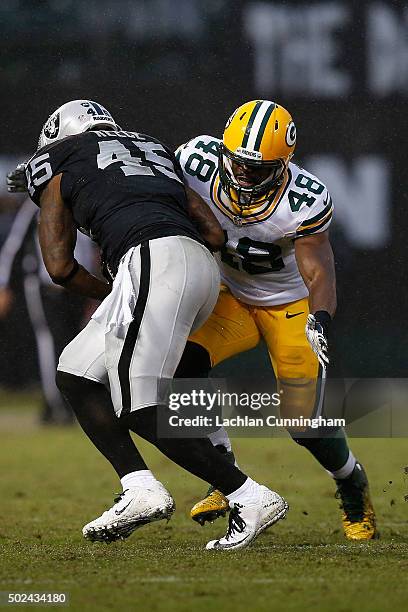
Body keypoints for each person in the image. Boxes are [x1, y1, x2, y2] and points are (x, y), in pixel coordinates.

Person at [7, 99, 288, 551]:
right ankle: (140, 487)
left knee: (137, 401)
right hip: (196, 267)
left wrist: (111, 288)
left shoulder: (53, 159)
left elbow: (58, 267)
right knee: (77, 374)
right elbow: (214, 233)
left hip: (151, 262)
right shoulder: (150, 147)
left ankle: (249, 494)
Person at [174, 99, 377, 541]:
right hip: (230, 296)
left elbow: (319, 268)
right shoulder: (195, 160)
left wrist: (320, 318)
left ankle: (350, 480)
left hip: (289, 306)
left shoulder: (302, 198)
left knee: (303, 424)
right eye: (239, 162)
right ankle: (226, 477)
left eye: (258, 167)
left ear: (284, 163)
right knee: (179, 365)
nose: (245, 174)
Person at [0, 197, 92, 423]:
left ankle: (74, 402)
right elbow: (14, 244)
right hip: (46, 286)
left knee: (75, 345)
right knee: (50, 342)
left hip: (79, 287)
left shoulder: (86, 197)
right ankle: (57, 404)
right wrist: (4, 285)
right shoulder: (39, 202)